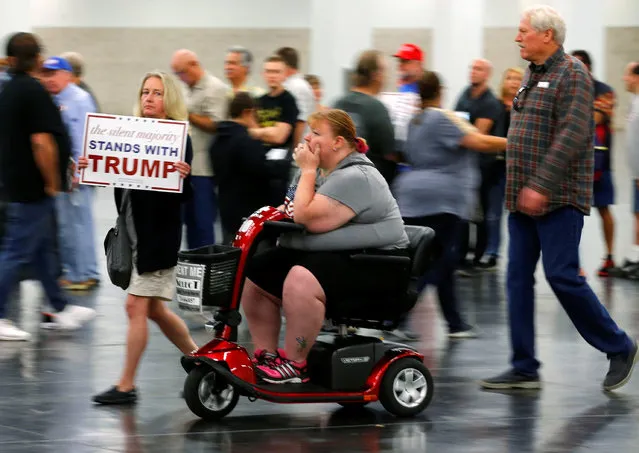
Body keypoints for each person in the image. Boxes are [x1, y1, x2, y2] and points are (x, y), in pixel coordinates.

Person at [480, 5, 637, 391]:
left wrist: (542, 185)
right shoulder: (532, 76)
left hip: (558, 198)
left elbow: (572, 136)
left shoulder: (573, 75)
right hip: (521, 198)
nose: (517, 37)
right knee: (516, 279)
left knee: (561, 275)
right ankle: (524, 366)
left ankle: (619, 346)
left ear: (546, 35)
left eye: (523, 31)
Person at [240, 109, 409, 384]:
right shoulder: (321, 171)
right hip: (344, 255)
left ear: (338, 143)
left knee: (301, 279)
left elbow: (307, 218)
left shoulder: (356, 176)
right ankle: (267, 355)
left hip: (380, 265)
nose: (307, 138)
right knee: (258, 273)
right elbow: (291, 204)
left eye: (316, 133)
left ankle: (296, 364)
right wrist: (304, 173)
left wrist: (306, 170)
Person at [88, 71, 198, 405]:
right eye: (145, 92)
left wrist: (184, 178)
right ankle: (202, 359)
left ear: (170, 100)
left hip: (157, 241)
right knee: (154, 312)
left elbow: (183, 198)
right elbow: (119, 180)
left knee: (136, 306)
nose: (149, 98)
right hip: (135, 235)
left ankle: (126, 385)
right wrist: (91, 163)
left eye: (157, 93)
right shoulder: (131, 133)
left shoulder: (179, 140)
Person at [393, 71, 508, 339]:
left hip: (414, 198)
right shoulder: (440, 117)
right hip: (442, 200)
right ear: (440, 91)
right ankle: (399, 315)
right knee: (442, 260)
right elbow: (479, 141)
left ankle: (455, 322)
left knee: (436, 258)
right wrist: (517, 143)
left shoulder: (416, 120)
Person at [0, 32, 95, 341]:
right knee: (15, 251)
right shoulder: (32, 91)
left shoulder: (11, 89)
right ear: (38, 58)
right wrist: (53, 182)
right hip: (33, 186)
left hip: (18, 181)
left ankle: (60, 307)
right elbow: (42, 142)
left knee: (42, 250)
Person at [40, 56, 100, 291]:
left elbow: (84, 136)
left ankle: (82, 273)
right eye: (46, 74)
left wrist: (77, 170)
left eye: (54, 74)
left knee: (76, 224)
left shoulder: (78, 99)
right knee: (70, 224)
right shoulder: (57, 99)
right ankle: (80, 271)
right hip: (64, 171)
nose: (49, 79)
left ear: (67, 74)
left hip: (74, 171)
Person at [171, 49, 227, 248]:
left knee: (203, 222)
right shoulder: (186, 88)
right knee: (189, 221)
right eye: (176, 73)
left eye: (181, 72)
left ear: (194, 65)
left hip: (204, 168)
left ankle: (207, 266)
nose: (180, 77)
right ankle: (192, 264)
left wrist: (188, 115)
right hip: (186, 166)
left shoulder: (215, 88)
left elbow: (217, 125)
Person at [210, 92, 284, 243]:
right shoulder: (246, 141)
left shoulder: (216, 140)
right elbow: (262, 170)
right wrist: (281, 165)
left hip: (226, 212)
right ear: (248, 112)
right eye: (256, 114)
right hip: (250, 215)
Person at [571, 50, 617, 276]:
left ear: (588, 67)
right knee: (573, 212)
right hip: (575, 164)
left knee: (604, 210)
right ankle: (574, 262)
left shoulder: (605, 91)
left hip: (601, 163)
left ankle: (609, 257)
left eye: (579, 64)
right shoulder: (569, 90)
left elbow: (591, 120)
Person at [478, 67, 525, 270]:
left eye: (517, 79)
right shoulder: (494, 105)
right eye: (510, 78)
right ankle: (491, 252)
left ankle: (520, 252)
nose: (513, 82)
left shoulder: (525, 106)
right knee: (493, 213)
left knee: (518, 213)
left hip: (519, 167)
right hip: (496, 166)